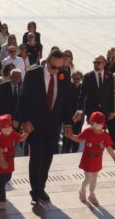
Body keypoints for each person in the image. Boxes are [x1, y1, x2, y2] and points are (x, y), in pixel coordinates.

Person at [16, 49, 76, 205]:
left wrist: (68, 123)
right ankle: (35, 191)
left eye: (59, 68)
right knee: (37, 158)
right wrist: (24, 121)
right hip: (35, 125)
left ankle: (40, 187)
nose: (56, 71)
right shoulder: (32, 74)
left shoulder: (64, 75)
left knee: (48, 158)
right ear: (47, 61)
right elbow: (23, 99)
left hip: (54, 126)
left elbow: (68, 101)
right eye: (53, 67)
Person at [65, 111, 115, 205]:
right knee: (88, 178)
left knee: (94, 178)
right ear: (91, 123)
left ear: (103, 124)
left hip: (97, 160)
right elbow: (79, 139)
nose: (99, 126)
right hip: (88, 160)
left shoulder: (105, 134)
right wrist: (70, 136)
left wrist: (114, 157)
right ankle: (82, 190)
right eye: (96, 123)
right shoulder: (88, 131)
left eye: (100, 124)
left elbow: (109, 147)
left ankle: (92, 195)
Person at [0, 114, 27, 210]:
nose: (8, 129)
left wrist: (27, 132)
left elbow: (21, 138)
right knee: (2, 179)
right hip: (1, 162)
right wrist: (2, 160)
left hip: (10, 160)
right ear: (0, 128)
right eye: (5, 127)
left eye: (9, 126)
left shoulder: (12, 133)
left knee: (8, 177)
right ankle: (2, 200)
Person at [74, 55, 114, 124]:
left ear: (104, 63)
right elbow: (82, 95)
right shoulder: (87, 77)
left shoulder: (109, 76)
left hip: (105, 111)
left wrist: (112, 111)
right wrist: (79, 110)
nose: (96, 64)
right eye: (94, 62)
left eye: (98, 63)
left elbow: (111, 94)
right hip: (92, 112)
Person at [62, 70, 84, 154]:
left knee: (77, 136)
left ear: (81, 79)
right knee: (67, 138)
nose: (76, 80)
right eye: (74, 78)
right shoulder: (67, 87)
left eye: (78, 78)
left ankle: (74, 152)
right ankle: (65, 152)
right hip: (68, 118)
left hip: (79, 118)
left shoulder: (83, 89)